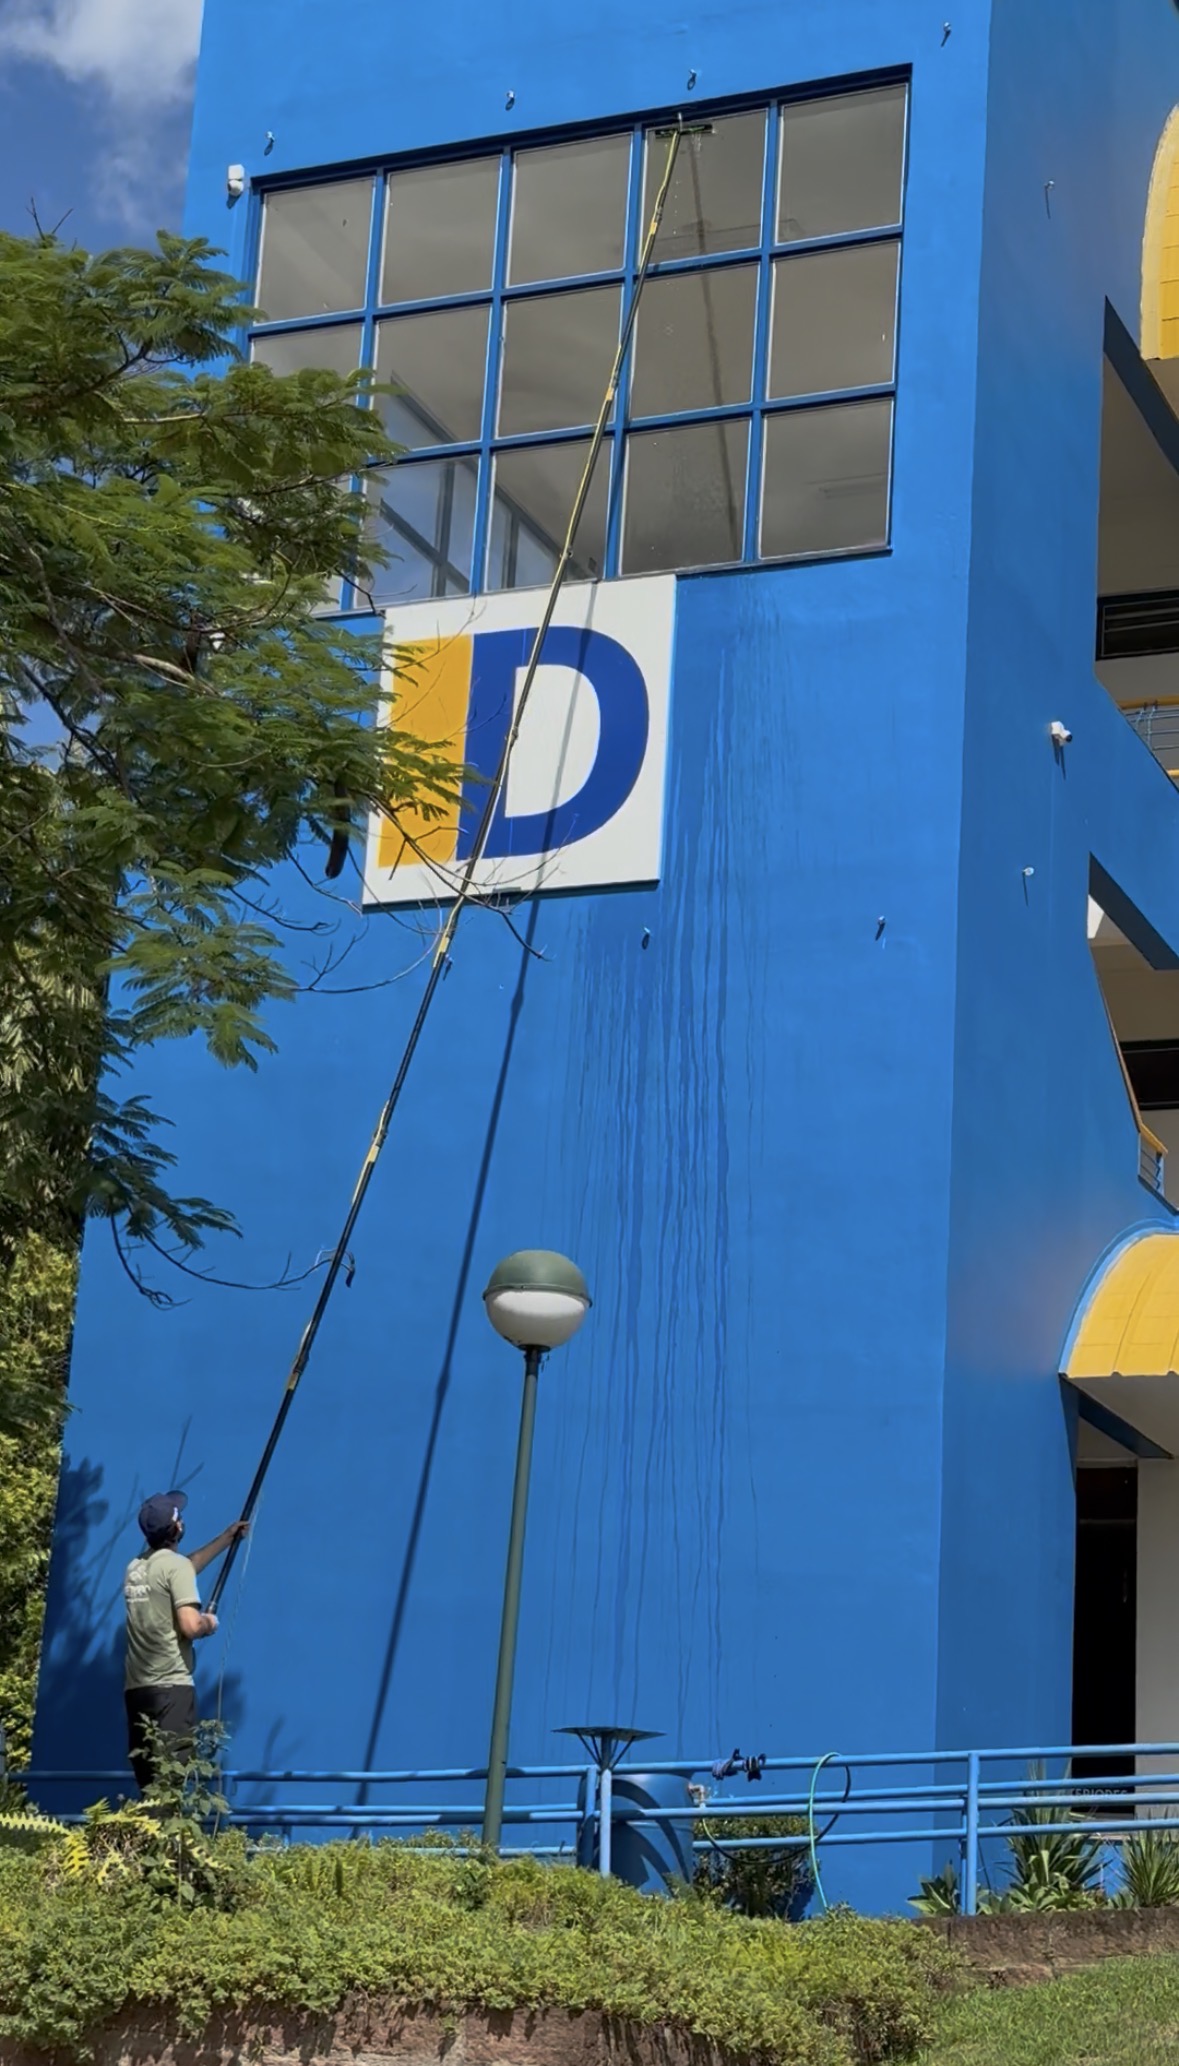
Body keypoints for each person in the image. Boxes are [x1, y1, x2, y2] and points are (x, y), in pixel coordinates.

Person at [123, 1490, 248, 1793]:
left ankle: (146, 1839)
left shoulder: (136, 1568)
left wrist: (226, 1538)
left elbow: (184, 1566)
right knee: (170, 1783)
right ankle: (165, 1841)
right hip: (172, 1691)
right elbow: (191, 1626)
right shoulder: (173, 1567)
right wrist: (209, 1623)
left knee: (148, 1784)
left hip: (137, 1690)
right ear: (176, 1528)